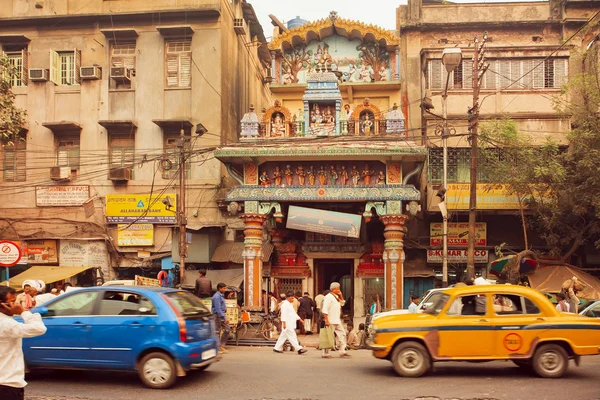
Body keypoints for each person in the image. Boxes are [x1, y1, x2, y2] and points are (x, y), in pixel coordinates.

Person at [0, 286, 47, 400]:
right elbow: (39, 329)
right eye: (12, 301)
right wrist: (23, 312)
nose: (16, 305)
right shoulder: (5, 324)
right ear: (2, 304)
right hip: (7, 384)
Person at [322, 282, 349, 359]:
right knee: (328, 337)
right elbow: (325, 309)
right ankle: (325, 353)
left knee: (343, 334)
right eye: (338, 288)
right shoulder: (328, 297)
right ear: (334, 289)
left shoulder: (336, 297)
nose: (339, 290)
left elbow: (343, 303)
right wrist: (326, 320)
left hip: (337, 320)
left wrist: (341, 295)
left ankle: (342, 351)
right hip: (330, 320)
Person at [211, 282, 230, 354]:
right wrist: (224, 318)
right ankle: (218, 347)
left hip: (221, 315)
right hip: (217, 315)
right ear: (220, 288)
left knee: (227, 329)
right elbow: (218, 309)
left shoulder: (221, 295)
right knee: (217, 331)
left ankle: (221, 345)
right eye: (224, 288)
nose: (225, 289)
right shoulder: (216, 297)